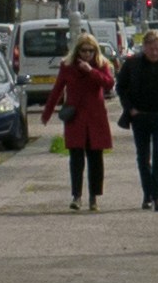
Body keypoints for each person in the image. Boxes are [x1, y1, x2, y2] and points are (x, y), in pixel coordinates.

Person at [115, 24, 158, 212]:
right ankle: (147, 195)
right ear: (144, 47)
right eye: (151, 48)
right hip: (140, 117)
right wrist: (130, 109)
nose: (154, 52)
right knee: (143, 156)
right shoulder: (132, 63)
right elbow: (120, 87)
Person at [48, 37, 117, 211]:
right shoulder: (67, 66)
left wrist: (91, 71)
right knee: (76, 159)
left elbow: (109, 84)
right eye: (83, 50)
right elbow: (57, 88)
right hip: (76, 118)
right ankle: (76, 196)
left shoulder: (102, 64)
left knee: (96, 159)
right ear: (77, 51)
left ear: (95, 51)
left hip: (96, 118)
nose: (87, 54)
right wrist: (47, 113)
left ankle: (94, 197)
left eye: (90, 51)